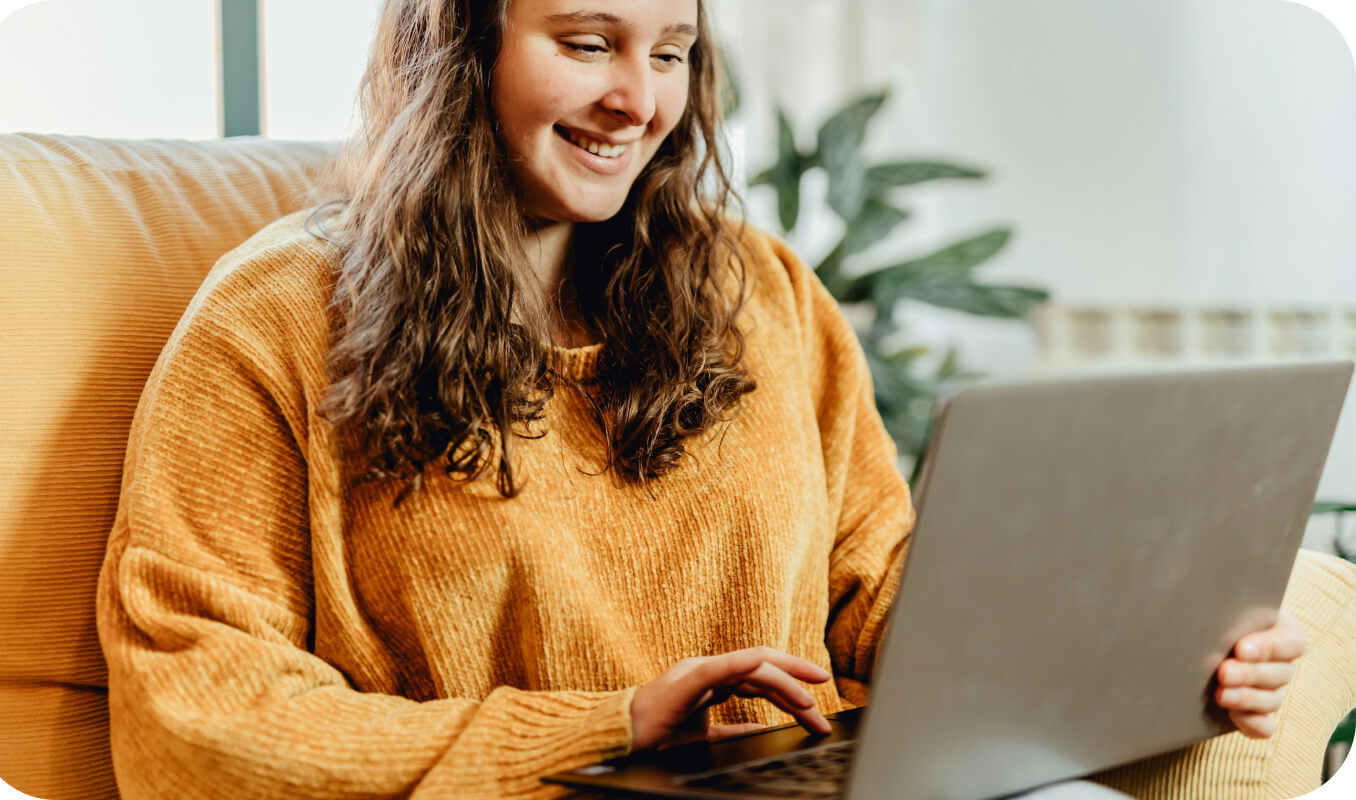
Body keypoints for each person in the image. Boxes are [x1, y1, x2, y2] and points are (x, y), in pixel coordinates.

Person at [95, 0, 1307, 798]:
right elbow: (193, 710)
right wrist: (611, 722)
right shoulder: (273, 324)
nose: (641, 101)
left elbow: (881, 583)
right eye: (588, 42)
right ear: (456, 46)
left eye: (669, 51)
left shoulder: (759, 290)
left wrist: (1154, 645)